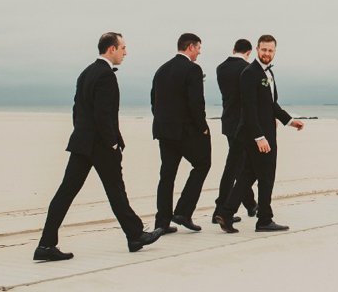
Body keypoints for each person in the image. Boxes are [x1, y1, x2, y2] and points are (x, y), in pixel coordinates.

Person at [34, 33, 162, 261]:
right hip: (100, 146)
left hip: (82, 143)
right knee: (115, 190)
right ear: (111, 49)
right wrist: (112, 142)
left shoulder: (86, 72)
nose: (126, 52)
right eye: (123, 47)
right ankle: (135, 235)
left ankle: (46, 244)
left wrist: (85, 135)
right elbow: (104, 115)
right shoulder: (105, 75)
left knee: (66, 192)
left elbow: (78, 110)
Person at [215, 35, 304, 233]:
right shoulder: (249, 73)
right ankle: (264, 219)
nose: (267, 54)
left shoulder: (267, 74)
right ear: (256, 49)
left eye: (270, 50)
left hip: (263, 133)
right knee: (266, 176)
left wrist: (289, 120)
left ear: (275, 52)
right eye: (263, 50)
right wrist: (259, 137)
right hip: (257, 135)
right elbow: (248, 108)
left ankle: (226, 213)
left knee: (248, 175)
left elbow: (271, 105)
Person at [151, 33, 211, 233]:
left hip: (163, 130)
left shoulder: (161, 69)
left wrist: (161, 121)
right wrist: (202, 126)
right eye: (199, 48)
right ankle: (183, 212)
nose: (199, 53)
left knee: (167, 175)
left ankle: (162, 222)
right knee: (203, 164)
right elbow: (196, 102)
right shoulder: (193, 69)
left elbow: (154, 100)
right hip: (185, 131)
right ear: (191, 47)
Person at [212, 39, 258, 224]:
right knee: (235, 166)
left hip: (228, 121)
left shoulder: (220, 68)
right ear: (248, 52)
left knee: (239, 163)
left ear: (233, 49)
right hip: (243, 124)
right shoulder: (247, 69)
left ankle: (250, 204)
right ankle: (221, 208)